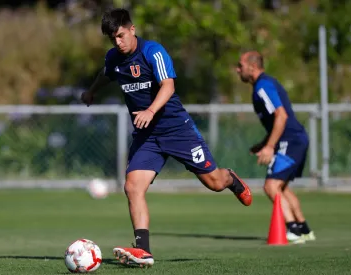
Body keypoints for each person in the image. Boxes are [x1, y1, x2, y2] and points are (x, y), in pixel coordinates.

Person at [80, 8, 252, 267]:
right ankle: (144, 251)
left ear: (132, 29)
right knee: (132, 186)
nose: (117, 42)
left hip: (177, 130)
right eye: (112, 38)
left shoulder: (153, 52)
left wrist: (150, 110)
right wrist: (91, 91)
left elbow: (168, 86)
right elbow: (106, 73)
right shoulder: (114, 58)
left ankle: (231, 178)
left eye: (120, 35)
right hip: (146, 136)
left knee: (214, 183)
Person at [235, 51, 315, 244]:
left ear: (252, 67)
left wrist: (270, 147)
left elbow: (281, 116)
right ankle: (303, 229)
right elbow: (277, 120)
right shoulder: (264, 85)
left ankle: (292, 230)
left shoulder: (263, 86)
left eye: (240, 65)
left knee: (271, 186)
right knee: (282, 187)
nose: (238, 70)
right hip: (295, 139)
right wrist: (263, 144)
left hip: (290, 140)